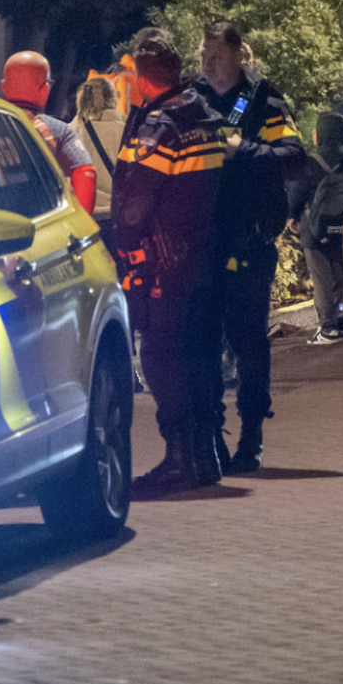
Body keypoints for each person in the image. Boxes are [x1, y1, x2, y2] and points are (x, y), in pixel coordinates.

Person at [112, 29, 228, 493]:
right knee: (198, 353)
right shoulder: (204, 114)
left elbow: (135, 203)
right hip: (207, 256)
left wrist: (124, 247)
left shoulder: (161, 127)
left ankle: (181, 458)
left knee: (161, 355)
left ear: (143, 78)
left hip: (167, 262)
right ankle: (206, 455)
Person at [191, 21, 305, 474]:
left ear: (241, 56)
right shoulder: (192, 99)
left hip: (249, 240)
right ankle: (212, 438)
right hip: (201, 242)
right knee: (202, 345)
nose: (210, 66)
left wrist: (247, 150)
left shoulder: (263, 103)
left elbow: (294, 158)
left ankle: (251, 437)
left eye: (218, 57)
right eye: (204, 57)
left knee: (248, 344)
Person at [0, 50, 97, 214]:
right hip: (45, 225)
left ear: (3, 86)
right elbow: (86, 174)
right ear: (45, 89)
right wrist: (81, 223)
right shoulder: (58, 131)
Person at [299, 111, 343, 343]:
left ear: (319, 135)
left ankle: (328, 327)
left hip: (314, 232)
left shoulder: (309, 164)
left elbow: (296, 193)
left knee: (321, 281)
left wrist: (293, 217)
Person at [74, 77, 126, 250]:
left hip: (84, 222)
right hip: (120, 219)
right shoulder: (127, 129)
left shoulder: (70, 132)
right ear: (113, 99)